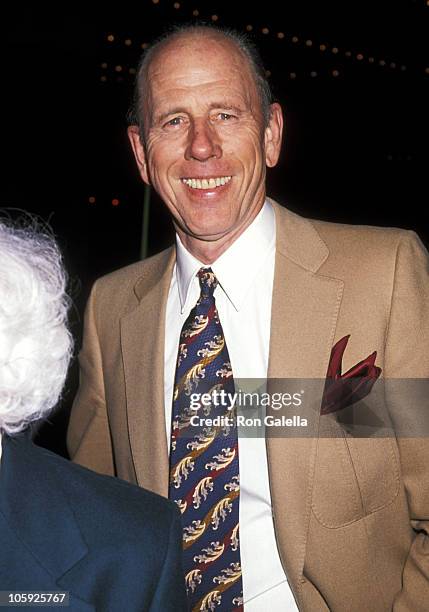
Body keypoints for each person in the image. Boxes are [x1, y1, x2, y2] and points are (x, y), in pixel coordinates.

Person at [67, 24, 429, 611]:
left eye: (226, 115)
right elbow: (95, 517)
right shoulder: (112, 309)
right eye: (174, 121)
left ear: (271, 135)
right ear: (140, 152)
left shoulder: (381, 278)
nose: (201, 147)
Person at [0, 217, 187, 611]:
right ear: (141, 155)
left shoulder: (132, 547)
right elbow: (95, 447)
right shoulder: (115, 299)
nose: (202, 151)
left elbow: (343, 418)